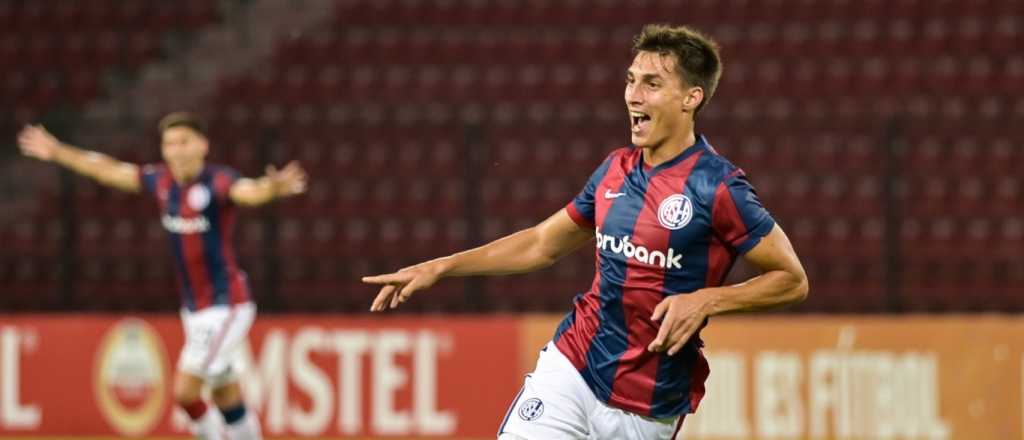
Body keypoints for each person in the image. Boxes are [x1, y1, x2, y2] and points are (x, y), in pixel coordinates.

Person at [362, 24, 809, 440]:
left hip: (646, 404)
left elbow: (792, 279)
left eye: (651, 84)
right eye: (631, 80)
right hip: (572, 365)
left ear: (691, 98)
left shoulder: (719, 187)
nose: (633, 95)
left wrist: (708, 299)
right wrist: (442, 266)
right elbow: (542, 244)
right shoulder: (614, 169)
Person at [17, 112, 307, 440]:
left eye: (184, 141)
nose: (177, 150)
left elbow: (248, 191)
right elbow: (108, 169)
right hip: (195, 310)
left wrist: (271, 189)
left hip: (227, 305)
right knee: (226, 395)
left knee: (185, 392)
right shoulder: (161, 182)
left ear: (202, 145)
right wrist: (58, 152)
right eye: (170, 144)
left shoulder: (218, 182)